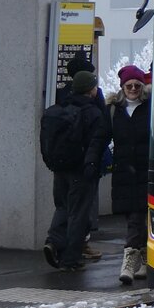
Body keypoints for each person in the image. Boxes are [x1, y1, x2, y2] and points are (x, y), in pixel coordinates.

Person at [43, 70, 109, 272]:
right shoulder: (93, 112)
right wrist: (91, 166)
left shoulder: (61, 108)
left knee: (62, 207)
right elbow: (96, 143)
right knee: (78, 213)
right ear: (91, 89)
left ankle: (53, 242)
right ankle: (70, 258)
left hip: (60, 168)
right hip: (81, 170)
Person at [108, 65, 150, 285]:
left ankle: (128, 261)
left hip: (145, 171)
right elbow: (102, 137)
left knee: (136, 218)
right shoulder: (114, 111)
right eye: (129, 85)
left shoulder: (151, 109)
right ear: (122, 88)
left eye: (137, 85)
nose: (133, 89)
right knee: (134, 218)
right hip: (124, 172)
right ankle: (144, 259)